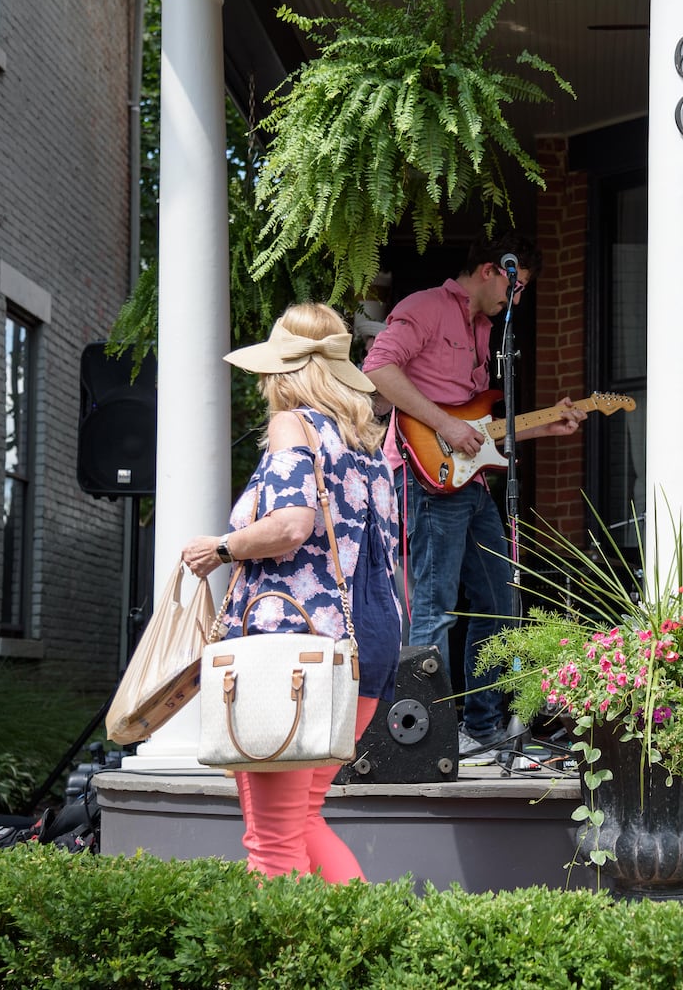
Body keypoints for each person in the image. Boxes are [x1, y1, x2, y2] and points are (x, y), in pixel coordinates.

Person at [181, 302, 401, 881]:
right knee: (303, 815)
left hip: (294, 645)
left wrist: (221, 547)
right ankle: (357, 953)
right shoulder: (368, 443)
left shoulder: (293, 425)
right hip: (364, 643)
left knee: (273, 839)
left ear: (288, 371)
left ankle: (276, 964)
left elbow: (291, 525)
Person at [362, 232, 586, 755]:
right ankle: (428, 736)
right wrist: (443, 423)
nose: (517, 300)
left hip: (470, 481)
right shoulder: (425, 307)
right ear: (490, 270)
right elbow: (378, 369)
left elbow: (477, 426)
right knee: (434, 606)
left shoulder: (486, 331)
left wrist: (544, 426)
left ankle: (480, 727)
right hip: (425, 475)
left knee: (501, 602)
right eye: (517, 287)